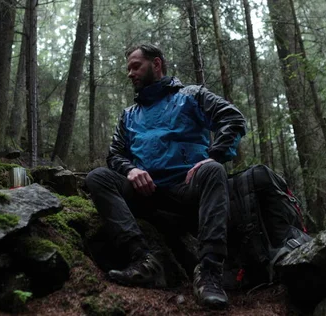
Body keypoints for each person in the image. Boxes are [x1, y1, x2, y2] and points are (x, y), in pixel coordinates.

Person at [85, 43, 246, 309]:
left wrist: (213, 155)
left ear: (156, 64)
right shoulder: (129, 115)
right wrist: (131, 170)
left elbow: (233, 119)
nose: (130, 73)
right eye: (128, 69)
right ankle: (144, 260)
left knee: (214, 170)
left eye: (136, 66)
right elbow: (114, 155)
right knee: (98, 177)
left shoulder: (191, 95)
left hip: (187, 191)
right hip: (147, 195)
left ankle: (208, 273)